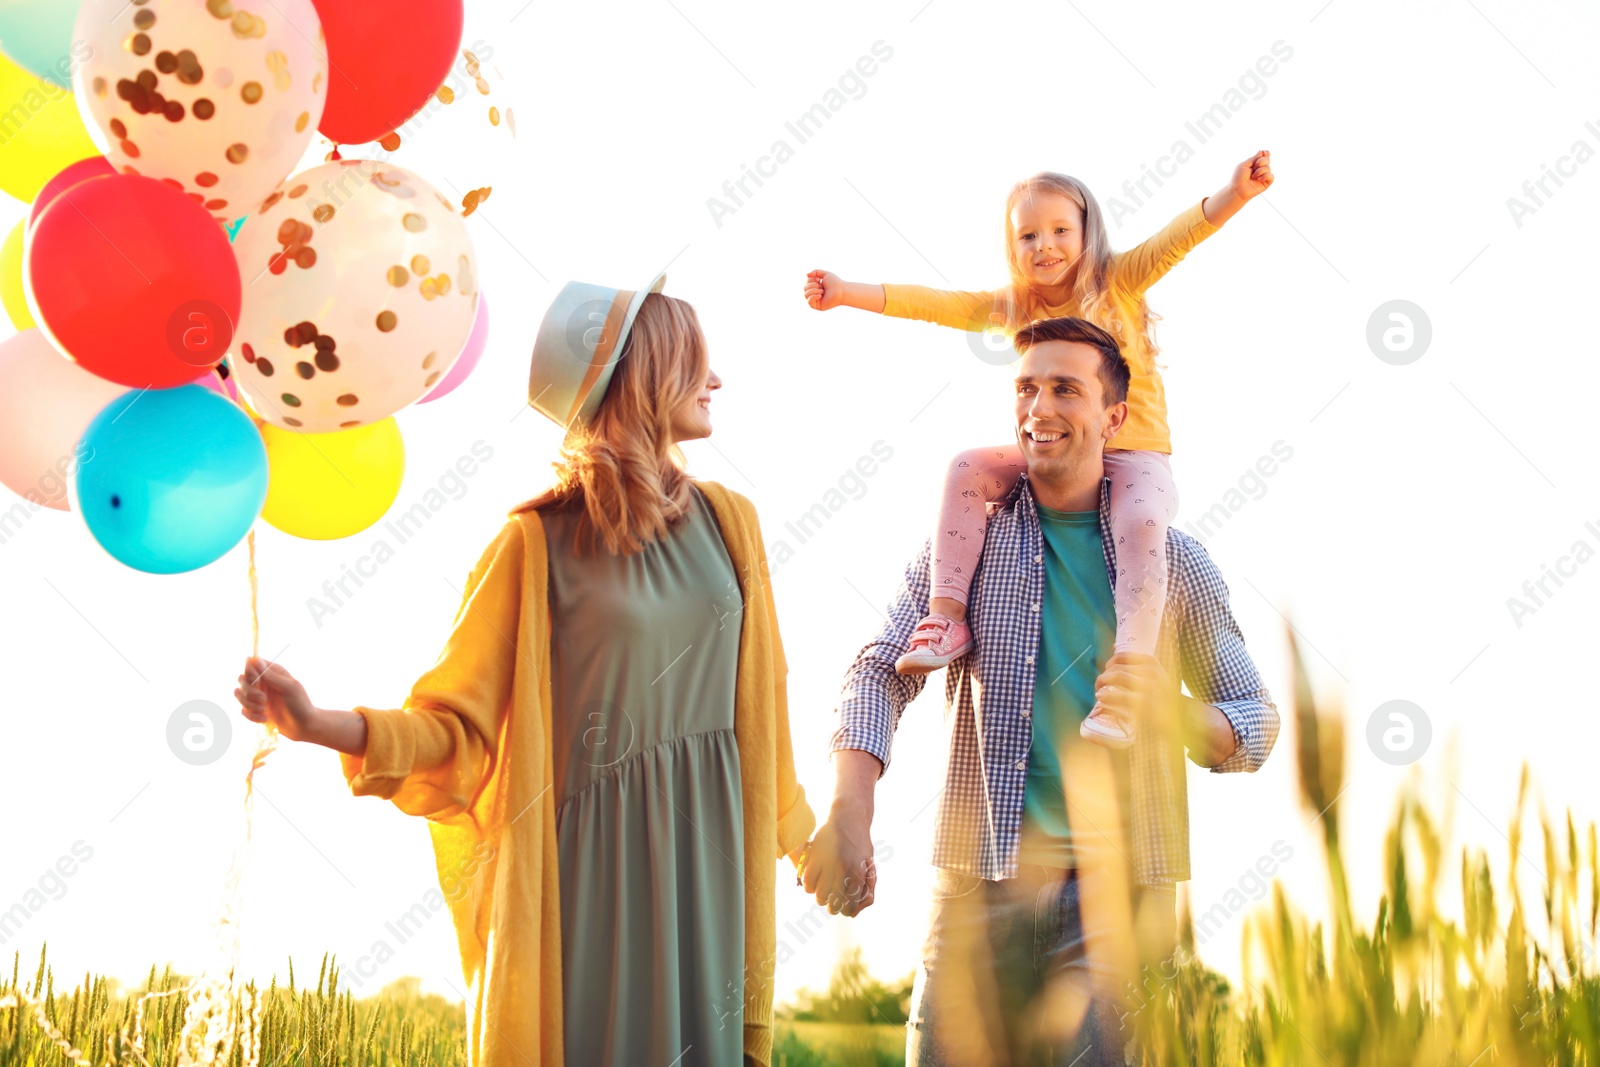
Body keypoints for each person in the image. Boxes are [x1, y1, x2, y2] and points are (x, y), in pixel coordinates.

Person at [235, 273, 815, 1067]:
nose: (716, 380)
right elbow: (454, 730)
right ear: (645, 374)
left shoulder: (731, 522)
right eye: (696, 361)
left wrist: (814, 841)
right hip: (590, 881)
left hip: (705, 867)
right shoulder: (533, 546)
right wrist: (314, 723)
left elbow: (768, 708)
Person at [801, 316, 1280, 1066]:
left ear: (1114, 416)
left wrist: (1171, 713)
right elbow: (877, 671)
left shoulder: (1174, 563)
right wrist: (849, 808)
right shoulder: (965, 545)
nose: (1040, 409)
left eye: (1065, 388)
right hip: (974, 889)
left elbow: (1257, 721)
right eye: (1026, 387)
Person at [802, 152, 1275, 751]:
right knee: (968, 468)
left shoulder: (1118, 282)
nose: (1043, 245)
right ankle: (947, 617)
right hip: (1055, 450)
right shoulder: (1015, 306)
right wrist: (846, 293)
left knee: (1142, 524)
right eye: (1027, 235)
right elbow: (935, 304)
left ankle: (1129, 679)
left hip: (1135, 457)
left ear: (1087, 234)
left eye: (1058, 231)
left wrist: (1234, 194)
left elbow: (1176, 239)